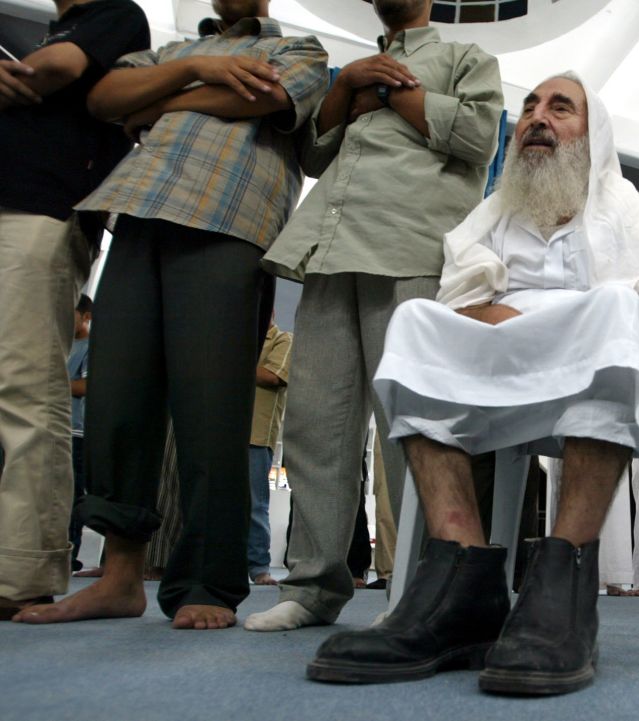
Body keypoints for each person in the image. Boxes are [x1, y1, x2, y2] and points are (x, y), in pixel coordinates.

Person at [303, 73, 639, 696]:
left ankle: (565, 575)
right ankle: (462, 579)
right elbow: (459, 307)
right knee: (413, 321)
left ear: (592, 134)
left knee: (613, 313)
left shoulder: (625, 207)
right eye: (529, 107)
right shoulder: (493, 215)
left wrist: (536, 315)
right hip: (507, 373)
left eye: (559, 107)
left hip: (604, 365)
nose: (537, 118)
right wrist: (544, 320)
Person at [13, 0, 329, 630]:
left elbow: (265, 99)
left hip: (230, 220)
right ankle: (121, 578)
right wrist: (208, 71)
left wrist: (164, 101)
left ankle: (207, 581)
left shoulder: (300, 50)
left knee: (212, 410)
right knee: (116, 400)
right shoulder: (167, 49)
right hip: (136, 212)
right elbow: (105, 99)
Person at [245, 0, 503, 633]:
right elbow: (313, 156)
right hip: (330, 252)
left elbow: (478, 138)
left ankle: (425, 585)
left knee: (411, 428)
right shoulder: (352, 71)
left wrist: (380, 91)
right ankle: (313, 585)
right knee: (314, 424)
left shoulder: (466, 57)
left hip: (413, 248)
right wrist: (352, 86)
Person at [0, 0, 149, 621]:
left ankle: (21, 570)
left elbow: (54, 70)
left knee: (23, 384)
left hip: (41, 208)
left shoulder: (116, 15)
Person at [248, 319, 293, 586]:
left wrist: (233, 359)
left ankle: (258, 567)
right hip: (226, 433)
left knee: (255, 504)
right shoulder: (238, 337)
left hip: (257, 434)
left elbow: (273, 376)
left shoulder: (283, 339)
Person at [67, 295, 94, 572]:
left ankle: (70, 551)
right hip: (50, 427)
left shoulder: (90, 346)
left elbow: (87, 386)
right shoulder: (56, 344)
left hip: (77, 433)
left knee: (73, 495)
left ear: (86, 316)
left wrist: (49, 380)